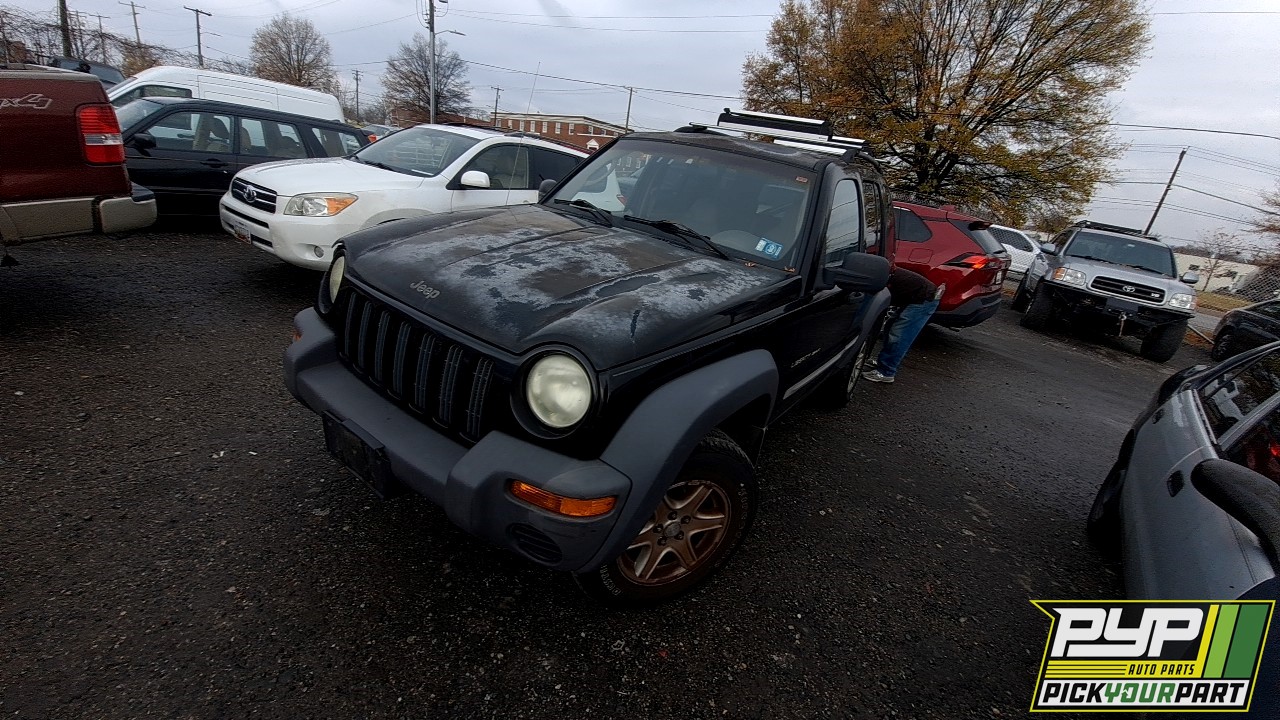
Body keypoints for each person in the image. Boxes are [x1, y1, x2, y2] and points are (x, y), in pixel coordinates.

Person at [861, 267, 944, 384]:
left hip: (924, 299)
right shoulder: (880, 273)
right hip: (916, 296)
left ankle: (886, 372)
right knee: (890, 327)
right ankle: (884, 361)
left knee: (899, 335)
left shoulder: (879, 279)